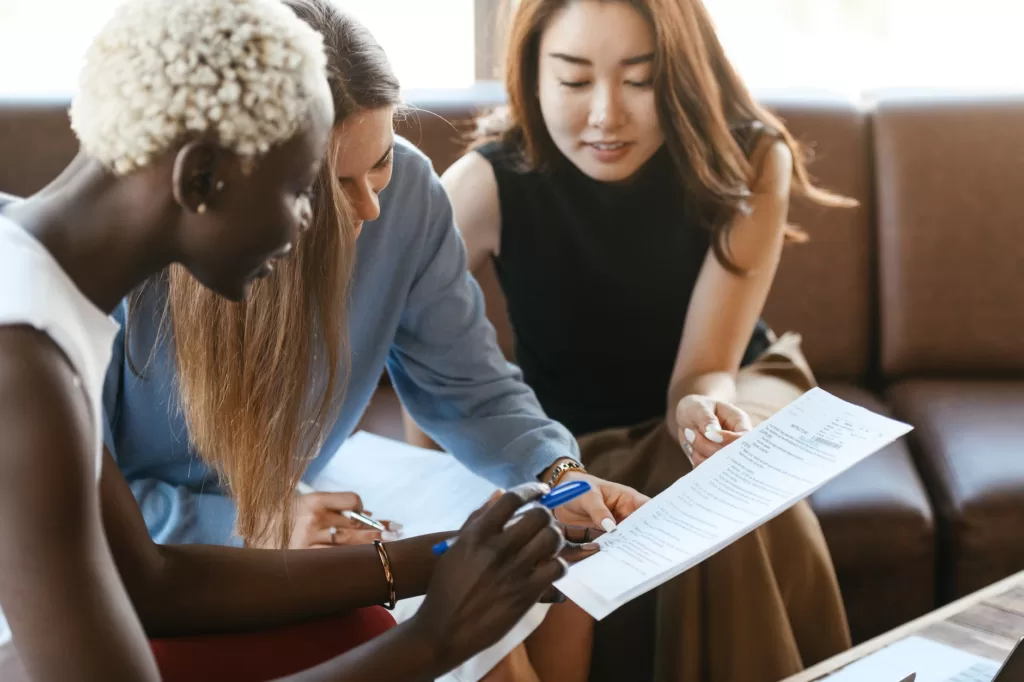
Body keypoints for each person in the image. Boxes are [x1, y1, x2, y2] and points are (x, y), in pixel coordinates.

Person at [0, 0, 570, 680]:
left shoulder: (45, 293)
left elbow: (151, 582)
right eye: (305, 191)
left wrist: (443, 560)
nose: (312, 224)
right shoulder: (22, 363)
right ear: (202, 179)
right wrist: (433, 641)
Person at [404, 0, 859, 681]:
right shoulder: (485, 181)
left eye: (640, 80)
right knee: (653, 493)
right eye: (574, 80)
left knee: (724, 481)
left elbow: (704, 371)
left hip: (726, 391)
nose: (606, 115)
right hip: (571, 436)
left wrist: (701, 416)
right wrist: (439, 477)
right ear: (531, 78)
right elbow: (412, 338)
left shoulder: (749, 159)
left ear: (680, 74)